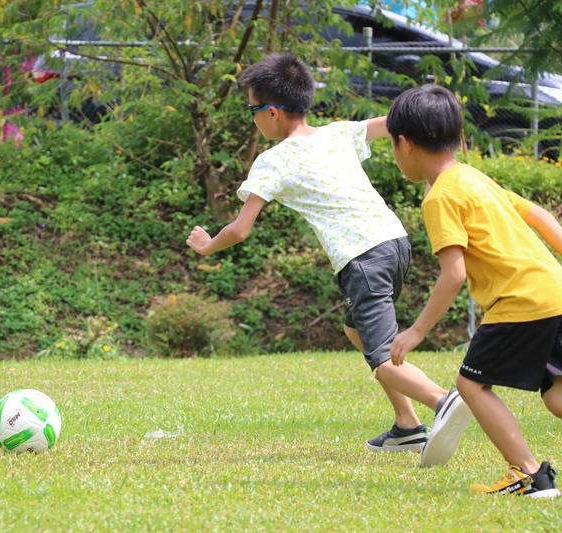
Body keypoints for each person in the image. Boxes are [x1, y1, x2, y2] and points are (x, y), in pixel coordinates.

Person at [185, 53, 471, 462]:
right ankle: (407, 425)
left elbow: (241, 228)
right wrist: (430, 98)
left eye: (252, 110)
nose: (253, 119)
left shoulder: (273, 160)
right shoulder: (337, 133)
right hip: (394, 243)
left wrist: (208, 244)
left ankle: (442, 401)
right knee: (356, 330)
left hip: (362, 258)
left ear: (271, 112)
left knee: (380, 357)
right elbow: (396, 121)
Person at [387, 84, 562, 497]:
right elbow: (538, 215)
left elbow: (453, 274)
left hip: (519, 301)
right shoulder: (472, 177)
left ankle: (531, 475)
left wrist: (416, 331)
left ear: (405, 144)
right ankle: (531, 475)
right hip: (553, 288)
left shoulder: (440, 197)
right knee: (556, 395)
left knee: (470, 385)